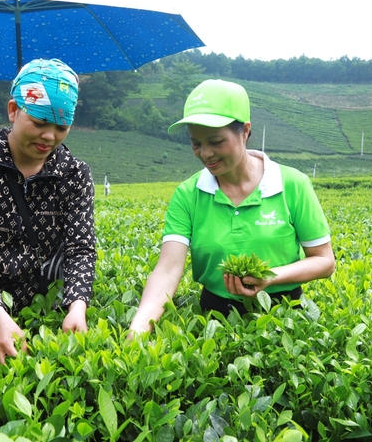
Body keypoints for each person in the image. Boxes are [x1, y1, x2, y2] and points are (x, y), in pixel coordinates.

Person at [128, 79, 335, 334]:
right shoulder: (187, 194)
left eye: (216, 142)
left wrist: (271, 275)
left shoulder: (292, 184)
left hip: (286, 315)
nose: (205, 153)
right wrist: (138, 328)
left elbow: (324, 261)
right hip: (215, 319)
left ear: (245, 131)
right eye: (196, 143)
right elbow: (168, 269)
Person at [0, 58, 96, 364]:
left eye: (61, 127)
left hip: (43, 307)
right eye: (39, 123)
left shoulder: (74, 174)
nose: (49, 136)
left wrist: (77, 304)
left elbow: (80, 249)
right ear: (13, 110)